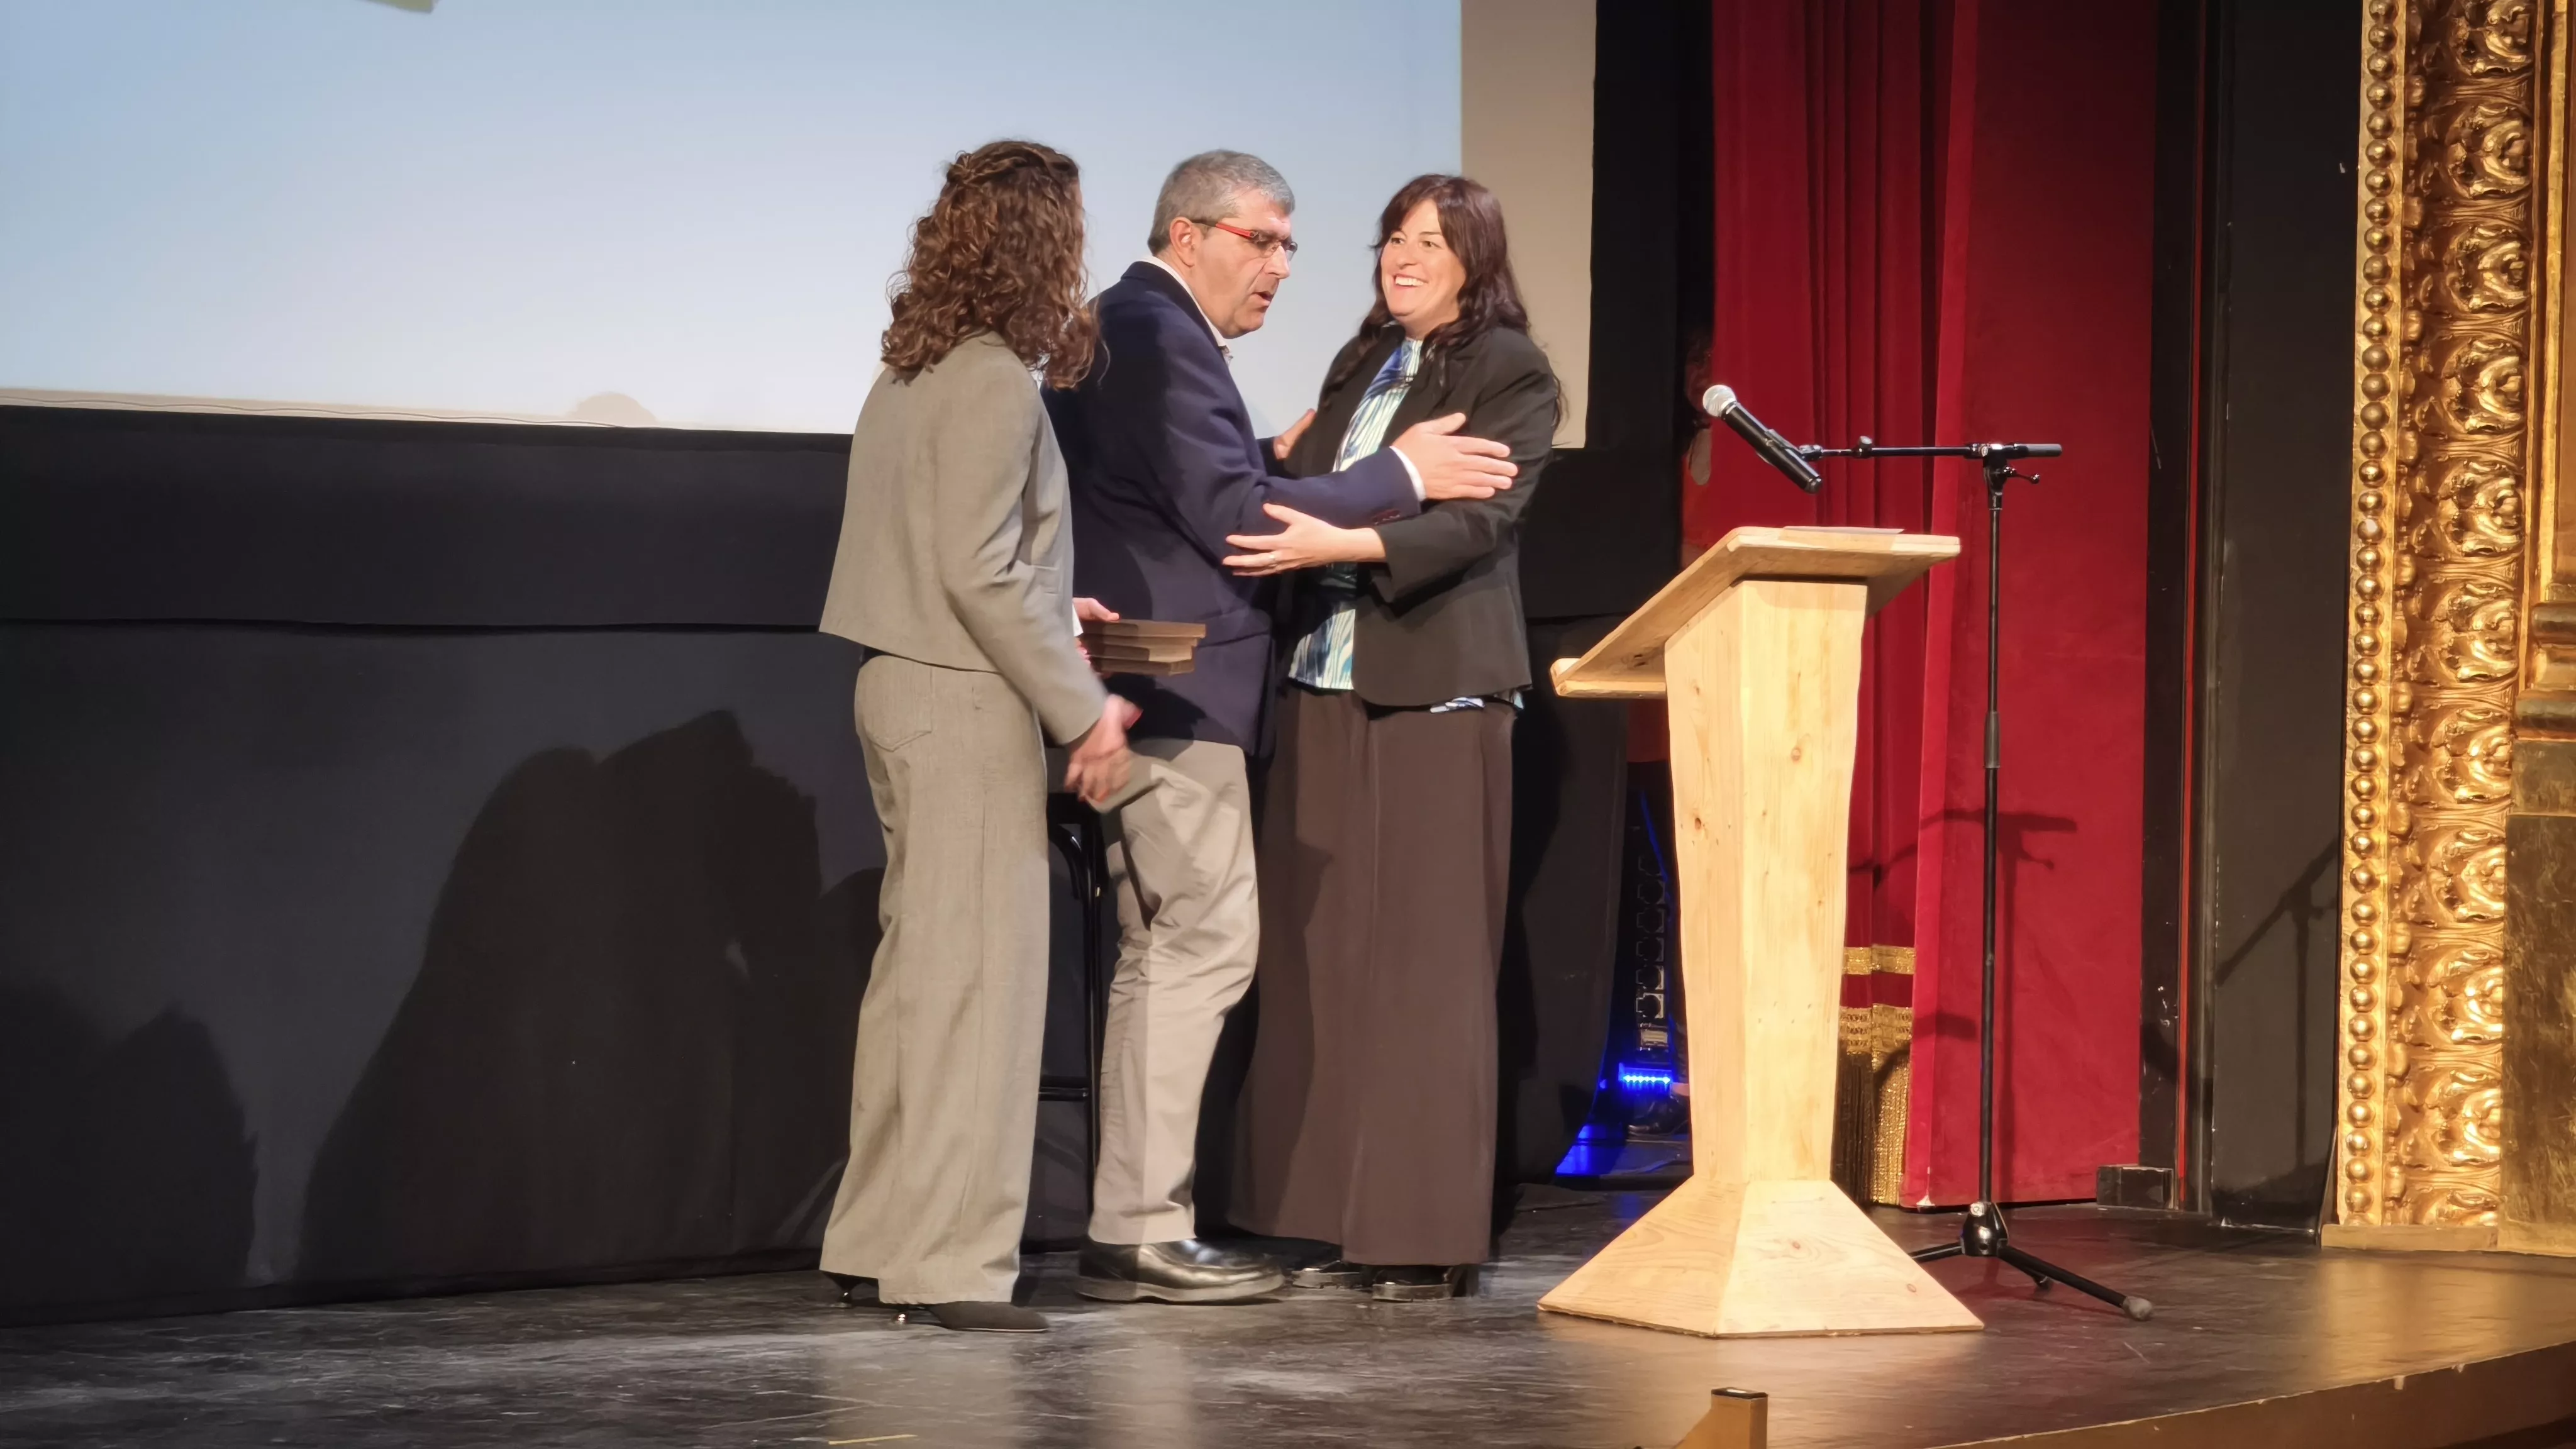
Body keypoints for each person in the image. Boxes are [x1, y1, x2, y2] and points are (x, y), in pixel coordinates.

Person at [1044, 150, 1523, 1304]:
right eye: (1262, 240)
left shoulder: (1131, 326)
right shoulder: (1157, 333)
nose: (1282, 266)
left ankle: (1134, 1217)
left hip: (1147, 682)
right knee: (1199, 945)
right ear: (1187, 232)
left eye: (1292, 245)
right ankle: (1143, 1226)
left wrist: (1272, 462)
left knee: (1168, 949)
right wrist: (1396, 474)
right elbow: (1228, 521)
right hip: (1179, 682)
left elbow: (1186, 487)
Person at [814, 140, 1138, 1335]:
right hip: (960, 703)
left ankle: (876, 1238)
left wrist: (1055, 610)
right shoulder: (997, 374)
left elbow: (961, 559)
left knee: (918, 984)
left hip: (898, 685)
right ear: (1046, 242)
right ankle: (948, 1263)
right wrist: (1083, 705)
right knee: (978, 990)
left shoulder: (910, 366)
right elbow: (976, 569)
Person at [1223, 174, 1560, 1301]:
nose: (1401, 258)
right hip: (1324, 680)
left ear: (1475, 256)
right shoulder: (1360, 364)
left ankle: (1418, 1235)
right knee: (1320, 964)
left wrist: (1338, 543)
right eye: (1391, 239)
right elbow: (1313, 487)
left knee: (1424, 970)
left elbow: (1478, 521)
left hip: (1436, 691)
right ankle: (1315, 1218)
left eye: (1430, 240)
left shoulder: (1508, 368)